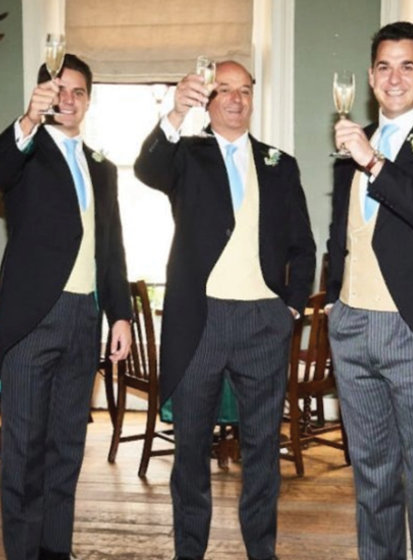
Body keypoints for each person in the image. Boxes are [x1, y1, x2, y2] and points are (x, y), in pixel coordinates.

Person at [134, 59, 315, 560]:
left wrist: (292, 311)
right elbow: (146, 168)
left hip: (264, 323)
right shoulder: (186, 156)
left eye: (245, 90)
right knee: (190, 450)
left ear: (253, 98)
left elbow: (304, 246)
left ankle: (263, 552)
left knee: (263, 453)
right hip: (201, 321)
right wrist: (175, 112)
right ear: (209, 100)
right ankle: (188, 552)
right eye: (225, 90)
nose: (236, 99)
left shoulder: (281, 163)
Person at [324, 21, 413, 560]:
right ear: (369, 75)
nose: (395, 77)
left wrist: (374, 161)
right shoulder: (354, 141)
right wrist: (336, 298)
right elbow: (343, 232)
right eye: (384, 66)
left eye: (408, 65)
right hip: (352, 328)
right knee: (373, 480)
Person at [0, 54, 133, 560]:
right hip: (33, 322)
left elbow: (111, 247)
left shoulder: (102, 167)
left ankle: (55, 552)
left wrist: (122, 315)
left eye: (79, 92)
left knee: (66, 450)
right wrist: (27, 119)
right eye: (59, 90)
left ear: (89, 100)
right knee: (23, 454)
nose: (68, 100)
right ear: (45, 94)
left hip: (83, 320)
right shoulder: (26, 152)